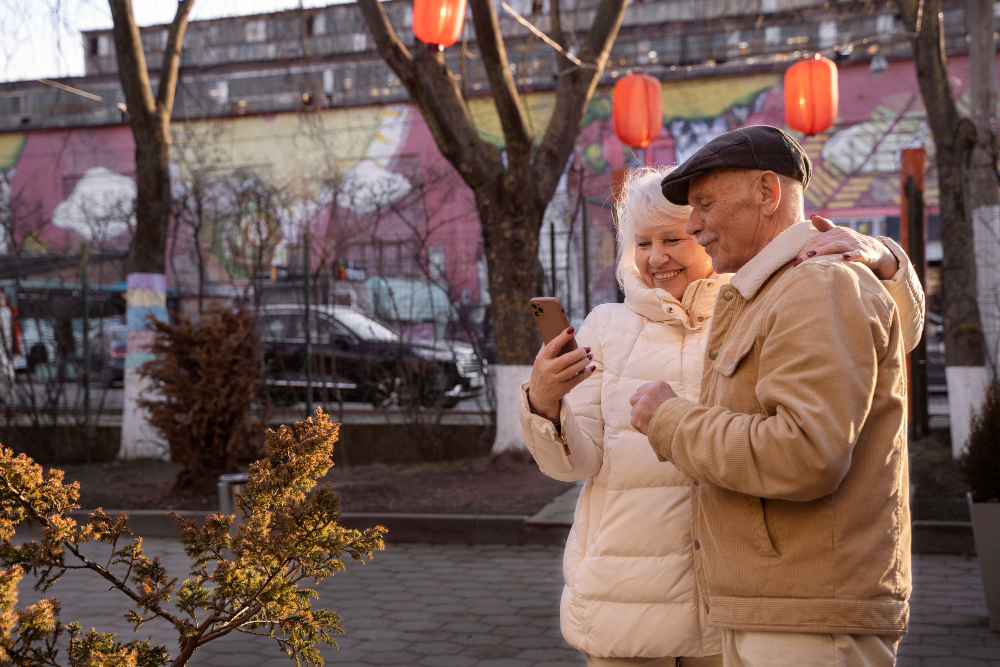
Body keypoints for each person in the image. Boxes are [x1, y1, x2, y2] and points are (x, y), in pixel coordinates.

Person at [521, 160, 924, 666]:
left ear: (706, 233)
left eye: (673, 238)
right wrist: (544, 403)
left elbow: (894, 334)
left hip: (735, 596)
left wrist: (885, 258)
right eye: (642, 244)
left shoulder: (766, 302)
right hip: (625, 597)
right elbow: (573, 464)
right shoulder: (606, 326)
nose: (656, 257)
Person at [629, 126, 917, 667]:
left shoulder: (817, 285)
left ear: (767, 192)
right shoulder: (775, 288)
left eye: (706, 204)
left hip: (808, 617)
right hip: (779, 608)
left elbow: (805, 453)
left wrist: (670, 420)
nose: (694, 226)